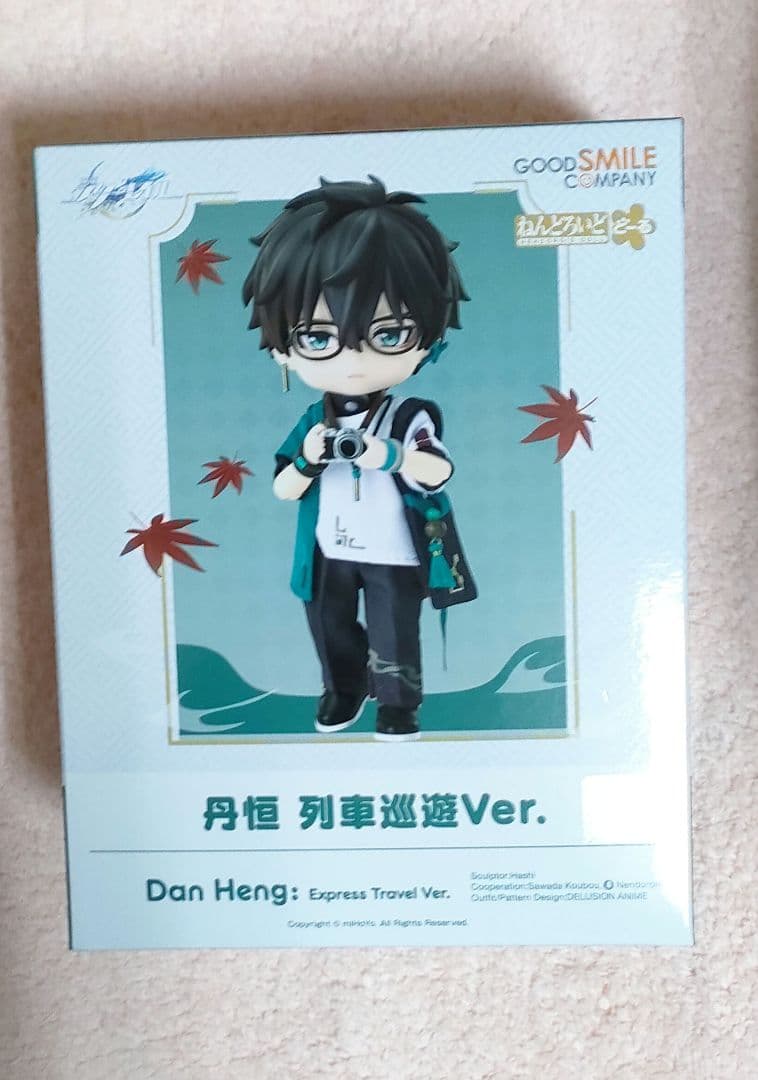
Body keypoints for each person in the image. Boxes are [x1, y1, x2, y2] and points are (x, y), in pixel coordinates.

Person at [243, 176, 476, 741]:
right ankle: (343, 689)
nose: (352, 359)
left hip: (394, 548)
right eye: (318, 338)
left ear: (426, 339)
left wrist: (385, 453)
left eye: (388, 334)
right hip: (328, 547)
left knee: (395, 630)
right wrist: (309, 460)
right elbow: (283, 488)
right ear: (283, 350)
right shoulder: (312, 422)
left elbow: (438, 470)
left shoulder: (408, 413)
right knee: (329, 625)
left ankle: (397, 703)